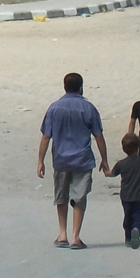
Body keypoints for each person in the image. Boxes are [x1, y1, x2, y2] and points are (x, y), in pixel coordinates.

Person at [37, 72, 109, 250]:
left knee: (61, 195)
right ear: (81, 87)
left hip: (61, 158)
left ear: (64, 87)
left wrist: (40, 161)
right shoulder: (88, 108)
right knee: (79, 197)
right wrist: (104, 159)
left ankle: (63, 234)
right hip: (82, 159)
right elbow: (98, 136)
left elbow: (46, 137)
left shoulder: (54, 108)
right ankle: (76, 237)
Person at [106, 132, 140, 248]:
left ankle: (128, 237)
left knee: (128, 216)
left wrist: (105, 169)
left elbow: (111, 174)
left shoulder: (121, 164)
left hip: (126, 196)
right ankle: (137, 230)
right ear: (138, 147)